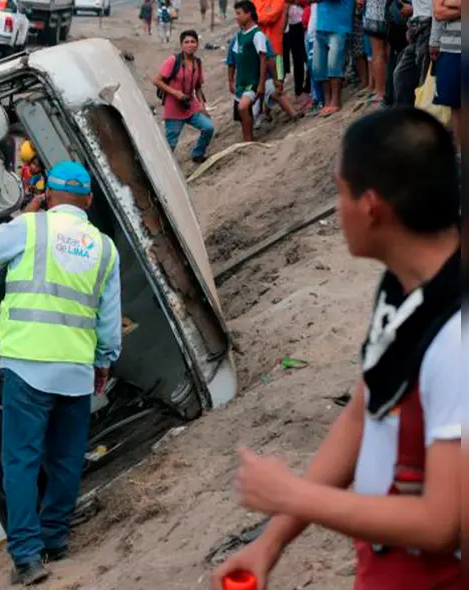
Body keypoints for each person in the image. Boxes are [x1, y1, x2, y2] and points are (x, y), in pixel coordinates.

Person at [212, 107, 461, 590]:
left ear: (371, 207)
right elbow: (360, 416)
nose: (338, 204)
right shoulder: (404, 290)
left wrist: (293, 494)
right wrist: (270, 543)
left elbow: (443, 521)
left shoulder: (455, 337)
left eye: (340, 190)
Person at [0, 160, 121, 587]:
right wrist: (104, 362)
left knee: (21, 460)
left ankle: (27, 557)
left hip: (26, 364)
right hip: (75, 369)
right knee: (67, 458)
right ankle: (55, 539)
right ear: (89, 201)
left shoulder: (32, 228)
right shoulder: (105, 248)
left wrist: (26, 213)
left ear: (48, 196)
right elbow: (109, 321)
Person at [154, 30, 214, 163]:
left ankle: (198, 154)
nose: (190, 45)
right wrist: (175, 93)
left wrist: (202, 105)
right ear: (181, 45)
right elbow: (157, 81)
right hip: (173, 107)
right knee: (171, 143)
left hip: (190, 105)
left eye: (193, 42)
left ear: (197, 45)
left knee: (208, 127)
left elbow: (198, 86)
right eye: (186, 42)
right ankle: (164, 166)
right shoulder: (173, 60)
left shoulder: (197, 62)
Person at [228, 0, 269, 141]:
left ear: (248, 14)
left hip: (253, 82)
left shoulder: (257, 35)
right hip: (241, 83)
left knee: (243, 108)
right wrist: (231, 80)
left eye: (239, 14)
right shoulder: (240, 36)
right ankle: (248, 138)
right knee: (241, 112)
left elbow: (267, 59)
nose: (236, 17)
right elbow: (233, 60)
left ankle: (248, 139)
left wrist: (263, 83)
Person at [313, 0, 355, 114]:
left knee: (334, 65)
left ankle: (335, 102)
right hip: (321, 27)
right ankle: (327, 102)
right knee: (319, 68)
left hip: (339, 27)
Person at [429, 0, 460, 152]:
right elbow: (438, 13)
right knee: (455, 104)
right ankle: (461, 152)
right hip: (450, 49)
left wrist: (450, 4)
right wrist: (434, 41)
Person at [391, 0, 431, 105]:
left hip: (429, 28)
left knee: (423, 82)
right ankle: (405, 118)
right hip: (416, 27)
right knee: (400, 75)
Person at [284, 0, 310, 107]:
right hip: (291, 27)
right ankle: (298, 91)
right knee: (297, 60)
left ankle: (308, 89)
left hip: (304, 23)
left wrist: (296, 1)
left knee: (307, 57)